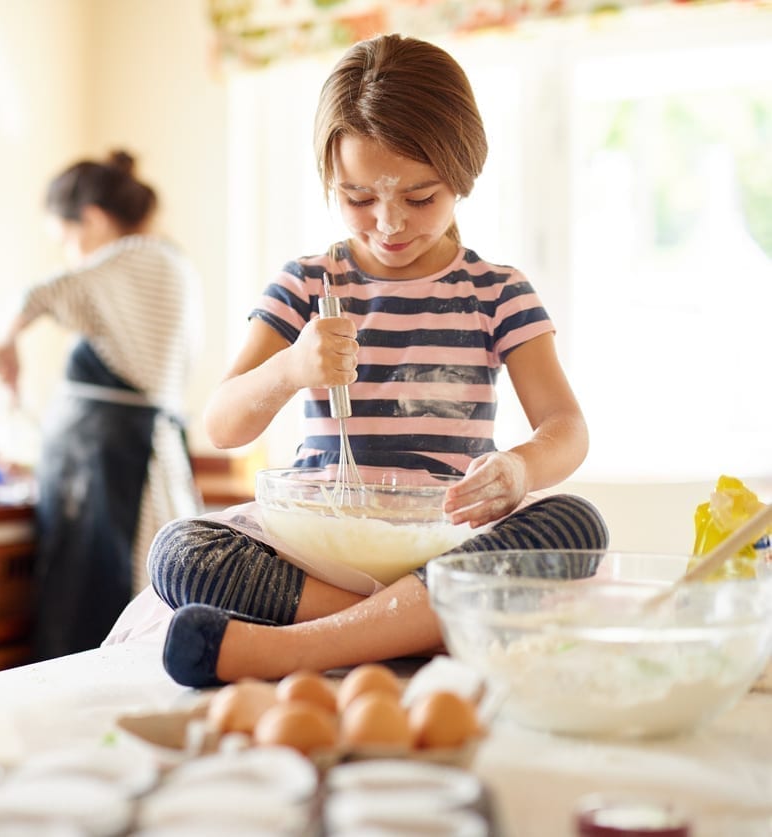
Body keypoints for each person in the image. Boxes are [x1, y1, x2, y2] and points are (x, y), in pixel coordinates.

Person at [147, 34, 609, 688]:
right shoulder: (307, 281)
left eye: (419, 197)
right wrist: (290, 369)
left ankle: (289, 650)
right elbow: (222, 425)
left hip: (449, 541)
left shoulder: (497, 290)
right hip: (321, 548)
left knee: (575, 523)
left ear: (464, 171)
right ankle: (423, 629)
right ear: (329, 179)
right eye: (358, 197)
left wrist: (518, 466)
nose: (388, 223)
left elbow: (567, 427)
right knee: (180, 550)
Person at [0, 150, 204, 662]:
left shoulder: (143, 258)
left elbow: (47, 290)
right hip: (104, 472)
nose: (70, 254)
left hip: (119, 475)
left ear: (92, 218)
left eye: (66, 238)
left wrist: (6, 339)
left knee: (110, 627)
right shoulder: (151, 263)